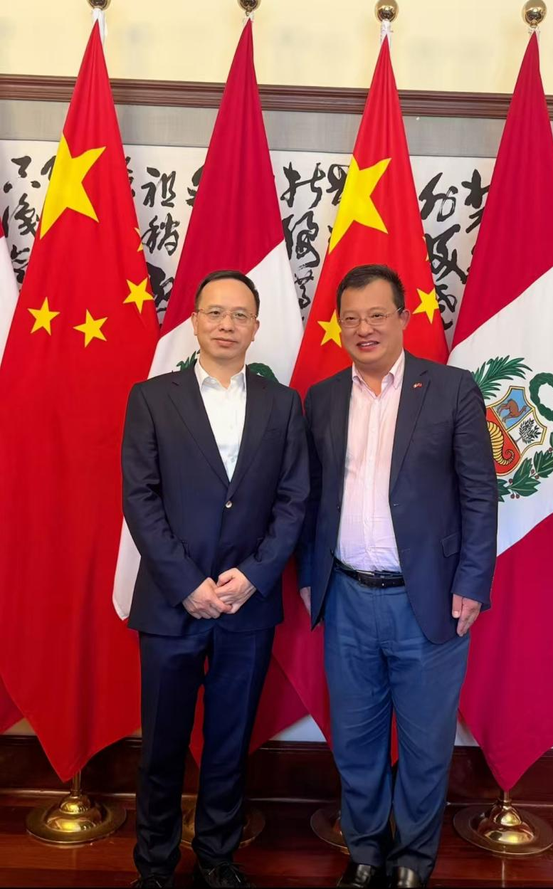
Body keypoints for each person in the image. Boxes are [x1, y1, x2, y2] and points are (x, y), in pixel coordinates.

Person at [299, 264, 497, 889]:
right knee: (355, 740)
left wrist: (472, 580)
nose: (365, 329)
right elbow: (310, 496)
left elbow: (479, 493)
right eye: (351, 319)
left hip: (429, 600)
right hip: (346, 595)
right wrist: (309, 575)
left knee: (425, 744)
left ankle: (412, 859)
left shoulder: (452, 389)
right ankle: (364, 851)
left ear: (404, 319)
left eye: (377, 315)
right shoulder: (322, 397)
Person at [123, 269, 309, 889]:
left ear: (255, 327)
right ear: (195, 321)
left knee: (230, 742)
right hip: (171, 603)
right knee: (162, 746)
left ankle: (217, 857)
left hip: (247, 606)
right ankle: (154, 865)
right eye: (214, 313)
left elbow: (293, 501)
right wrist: (187, 583)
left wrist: (253, 576)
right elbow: (140, 498)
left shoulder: (283, 404)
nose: (226, 324)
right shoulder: (152, 397)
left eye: (239, 315)